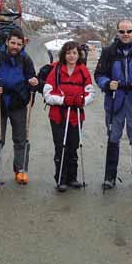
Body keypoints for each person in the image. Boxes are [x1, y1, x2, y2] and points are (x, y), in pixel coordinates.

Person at [94, 19, 132, 192]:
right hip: (114, 102)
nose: (125, 35)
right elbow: (99, 74)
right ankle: (109, 177)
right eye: (122, 31)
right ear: (117, 33)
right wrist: (106, 83)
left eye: (129, 31)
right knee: (113, 138)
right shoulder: (108, 52)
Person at [0, 29, 38, 185]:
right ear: (7, 42)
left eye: (19, 44)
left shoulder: (26, 59)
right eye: (13, 43)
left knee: (21, 139)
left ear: (23, 44)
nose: (15, 46)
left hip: (18, 102)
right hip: (0, 102)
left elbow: (32, 77)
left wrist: (33, 82)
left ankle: (21, 170)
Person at [43, 41, 95, 192]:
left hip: (76, 116)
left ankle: (73, 178)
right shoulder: (56, 70)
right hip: (58, 116)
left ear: (79, 55)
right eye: (68, 53)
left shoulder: (83, 71)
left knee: (73, 146)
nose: (71, 56)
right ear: (63, 55)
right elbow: (47, 94)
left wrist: (82, 100)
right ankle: (61, 178)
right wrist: (63, 100)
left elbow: (90, 93)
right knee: (61, 147)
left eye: (74, 53)